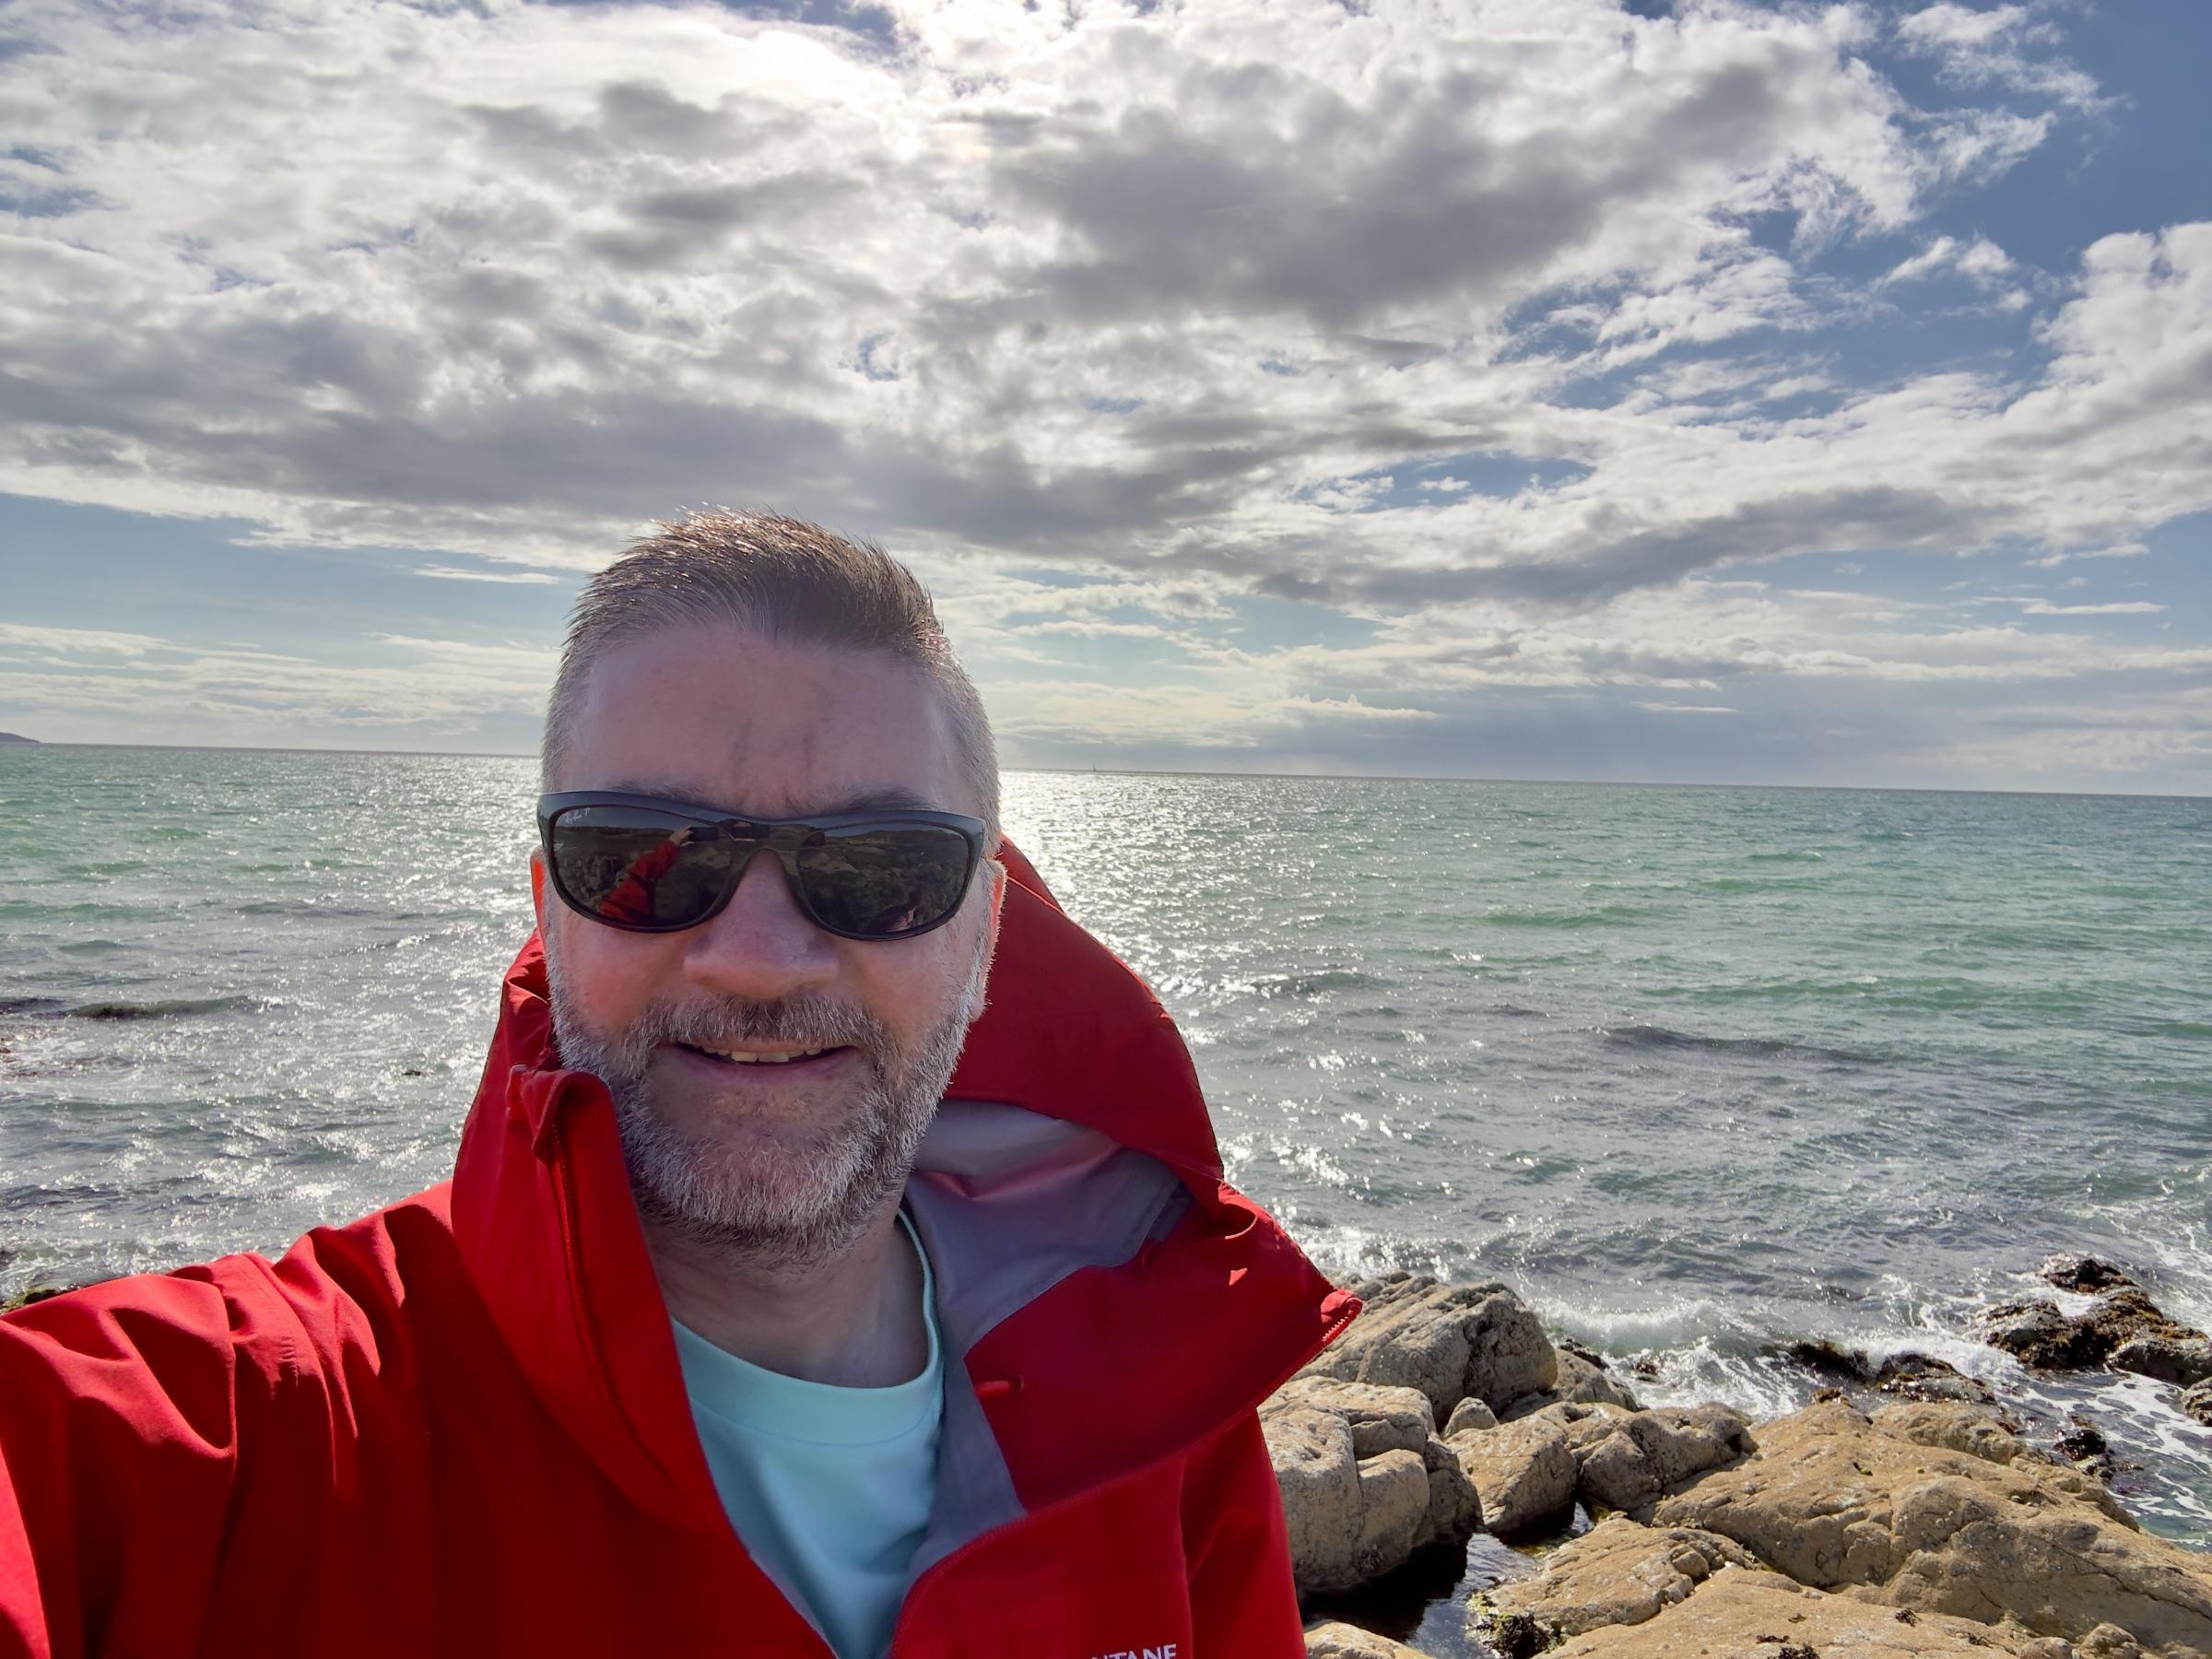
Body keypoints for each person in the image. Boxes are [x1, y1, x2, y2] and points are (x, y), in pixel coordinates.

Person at [0, 512, 1359, 1657]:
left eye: (879, 867)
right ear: (548, 906)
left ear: (990, 934)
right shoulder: (268, 1432)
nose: (759, 960)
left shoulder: (1161, 1430)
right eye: (644, 856)